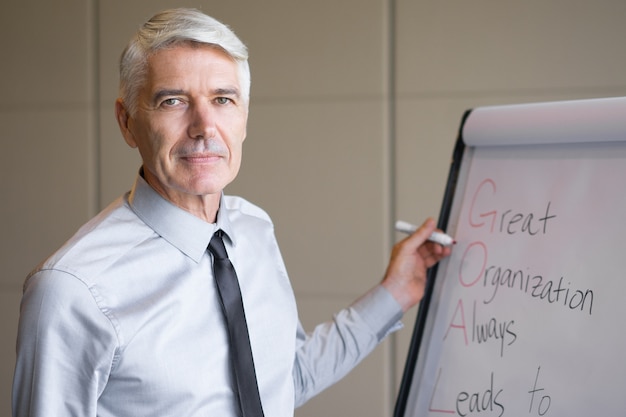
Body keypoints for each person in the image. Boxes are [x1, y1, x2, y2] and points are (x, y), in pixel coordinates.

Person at [12, 8, 451, 417]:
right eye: (172, 101)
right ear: (127, 122)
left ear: (244, 117)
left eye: (222, 99)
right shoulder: (71, 292)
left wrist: (396, 291)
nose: (205, 127)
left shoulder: (253, 229)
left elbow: (284, 380)